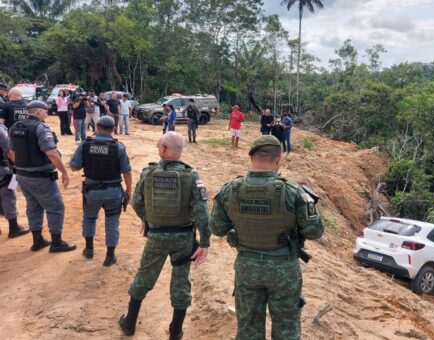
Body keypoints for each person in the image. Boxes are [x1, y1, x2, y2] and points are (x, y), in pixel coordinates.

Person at [209, 135, 324, 340]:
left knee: (248, 329)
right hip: (284, 272)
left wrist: (238, 230)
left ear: (251, 157)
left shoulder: (230, 189)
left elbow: (216, 228)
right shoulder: (293, 192)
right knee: (287, 330)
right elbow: (315, 231)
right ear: (278, 160)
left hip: (247, 268)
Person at [119, 131, 210, 339]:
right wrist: (204, 241)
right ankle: (176, 331)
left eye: (158, 145)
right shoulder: (191, 176)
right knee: (181, 283)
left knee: (144, 276)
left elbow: (136, 202)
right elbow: (202, 213)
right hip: (183, 238)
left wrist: (147, 221)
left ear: (164, 149)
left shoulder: (149, 172)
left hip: (157, 236)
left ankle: (129, 323)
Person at [8, 100, 75, 253]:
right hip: (40, 175)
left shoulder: (15, 127)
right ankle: (56, 242)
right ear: (38, 112)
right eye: (45, 111)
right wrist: (64, 172)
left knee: (33, 206)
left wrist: (22, 166)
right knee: (55, 206)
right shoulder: (41, 127)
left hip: (22, 174)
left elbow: (11, 153)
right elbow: (51, 153)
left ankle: (37, 240)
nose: (47, 113)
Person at [70, 116, 132, 267]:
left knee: (89, 218)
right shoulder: (118, 147)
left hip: (92, 192)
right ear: (113, 128)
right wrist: (129, 191)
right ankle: (110, 256)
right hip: (113, 192)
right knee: (112, 222)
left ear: (97, 126)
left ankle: (89, 249)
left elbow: (74, 167)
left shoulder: (85, 144)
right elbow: (127, 172)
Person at [0, 119, 29, 238]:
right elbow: (10, 151)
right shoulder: (1, 130)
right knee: (8, 196)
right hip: (1, 169)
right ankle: (14, 228)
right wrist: (18, 165)